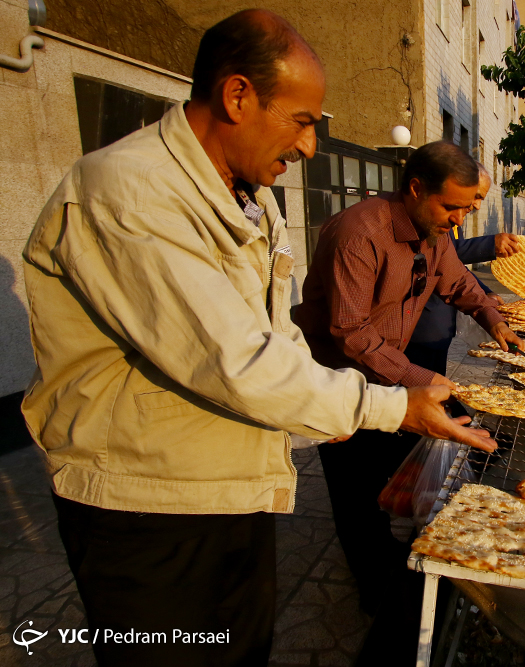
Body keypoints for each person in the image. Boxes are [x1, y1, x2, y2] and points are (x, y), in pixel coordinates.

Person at [20, 11, 494, 667]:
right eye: (302, 121)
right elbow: (232, 358)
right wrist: (386, 404)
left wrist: (321, 400)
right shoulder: (128, 191)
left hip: (232, 489)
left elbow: (272, 330)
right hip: (147, 510)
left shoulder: (249, 198)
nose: (308, 147)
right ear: (238, 95)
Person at [293, 141, 525, 618]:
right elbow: (351, 333)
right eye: (452, 206)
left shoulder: (433, 232)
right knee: (355, 493)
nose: (460, 219)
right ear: (416, 189)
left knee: (389, 470)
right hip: (340, 380)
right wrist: (422, 379)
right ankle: (376, 594)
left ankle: (396, 558)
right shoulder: (360, 235)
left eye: (467, 207)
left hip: (386, 372)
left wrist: (492, 318)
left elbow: (458, 281)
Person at [405, 163, 520, 376]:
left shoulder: (454, 217)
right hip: (422, 324)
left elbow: (454, 270)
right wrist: (489, 244)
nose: (475, 206)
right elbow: (448, 254)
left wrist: (485, 296)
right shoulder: (425, 221)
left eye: (480, 199)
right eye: (475, 196)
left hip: (440, 323)